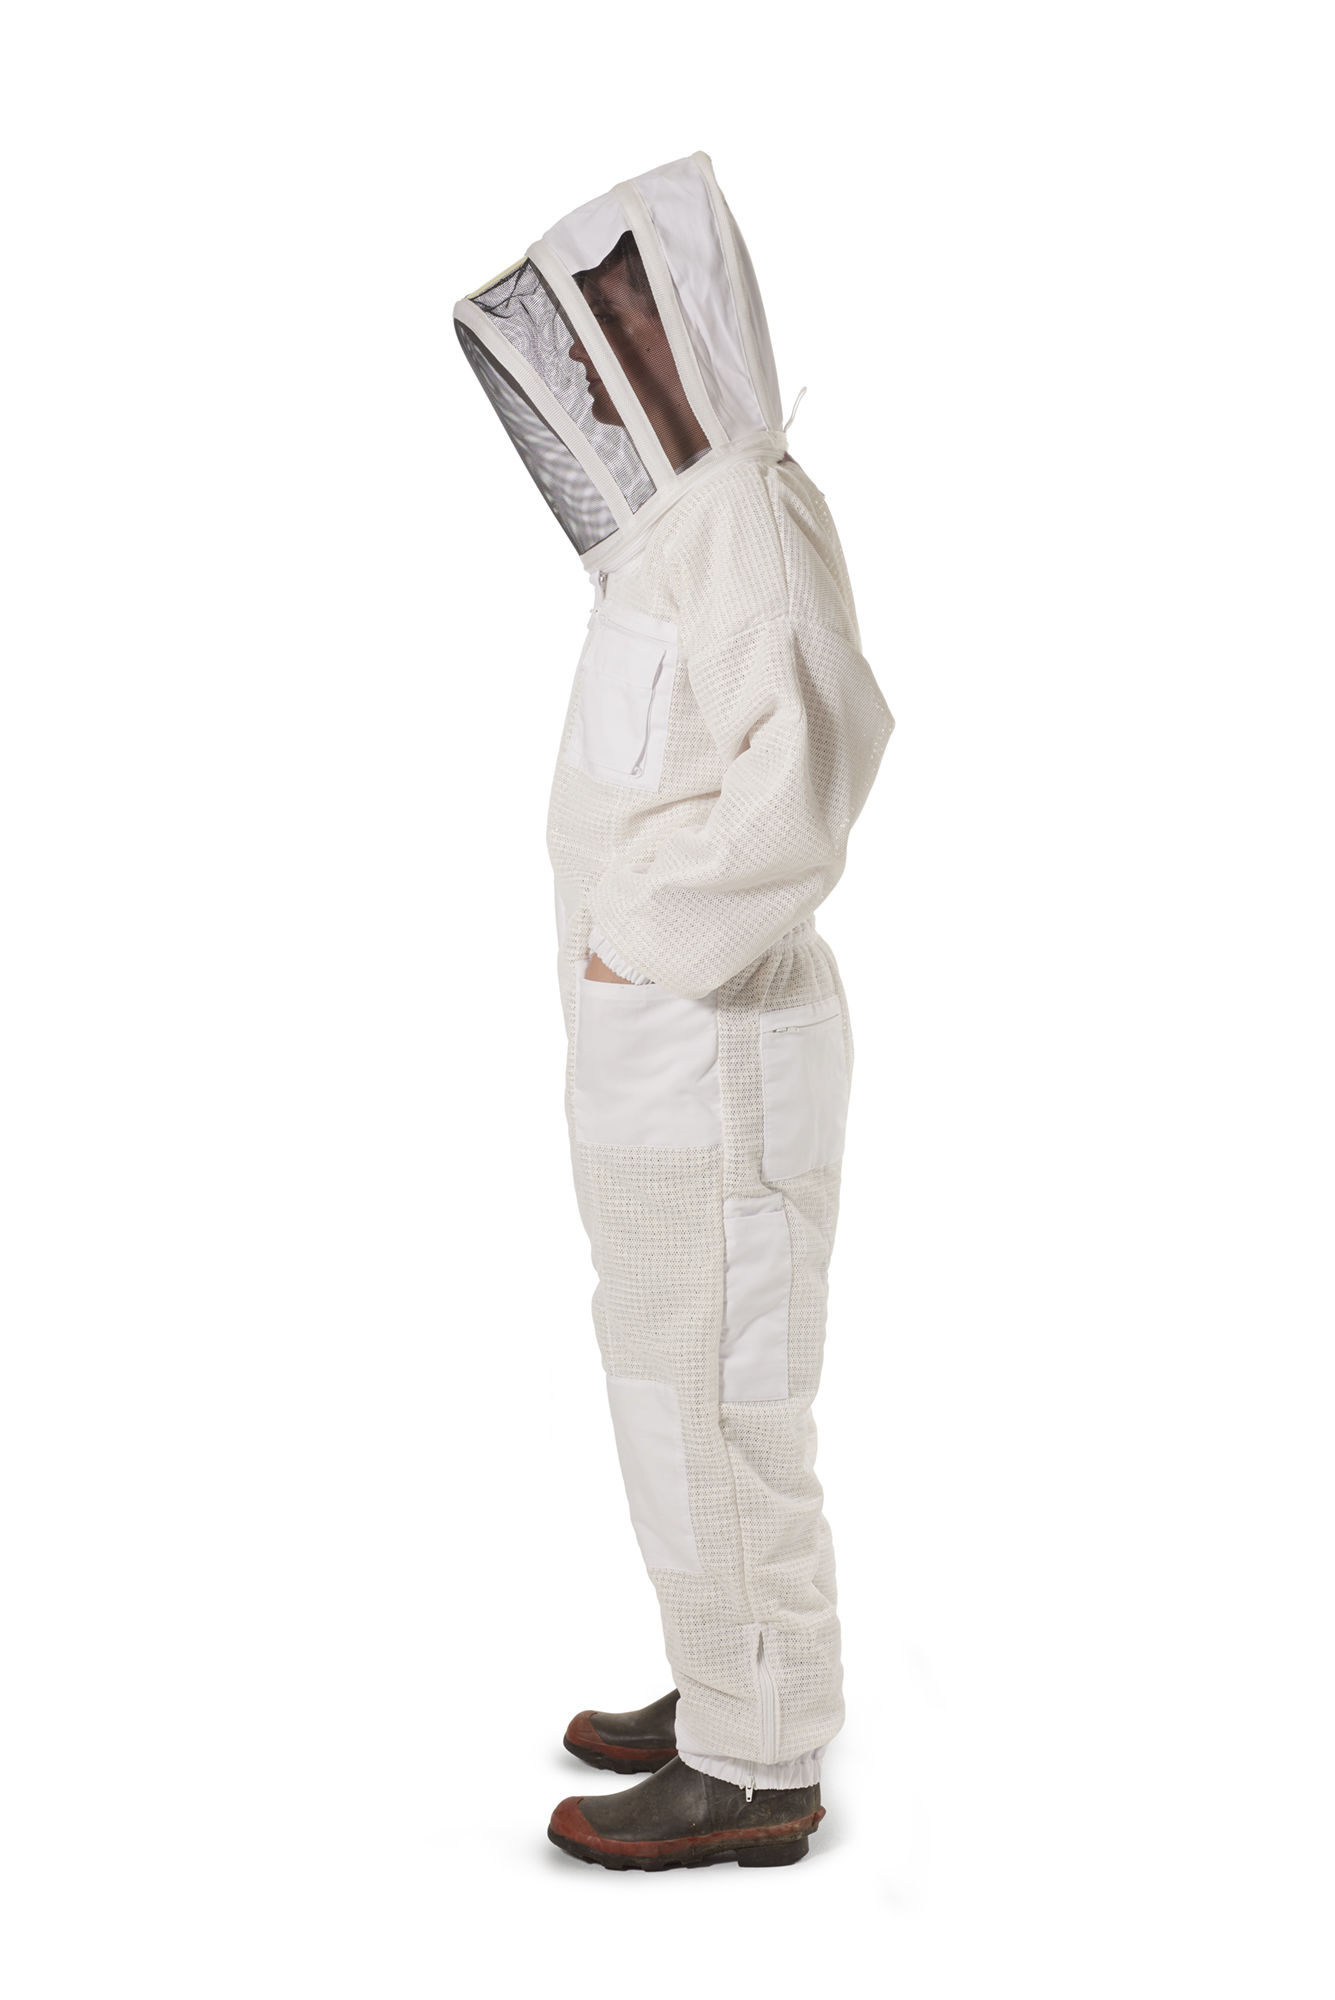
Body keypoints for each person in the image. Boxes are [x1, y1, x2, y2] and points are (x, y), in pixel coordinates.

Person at [453, 150, 894, 1871]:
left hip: (715, 1053)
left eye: (631, 312)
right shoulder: (681, 530)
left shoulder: (746, 516)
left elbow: (816, 767)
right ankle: (728, 1676)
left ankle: (759, 1761)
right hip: (665, 1061)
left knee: (720, 1394)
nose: (609, 352)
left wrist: (642, 937)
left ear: (686, 310)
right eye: (600, 324)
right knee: (671, 1378)